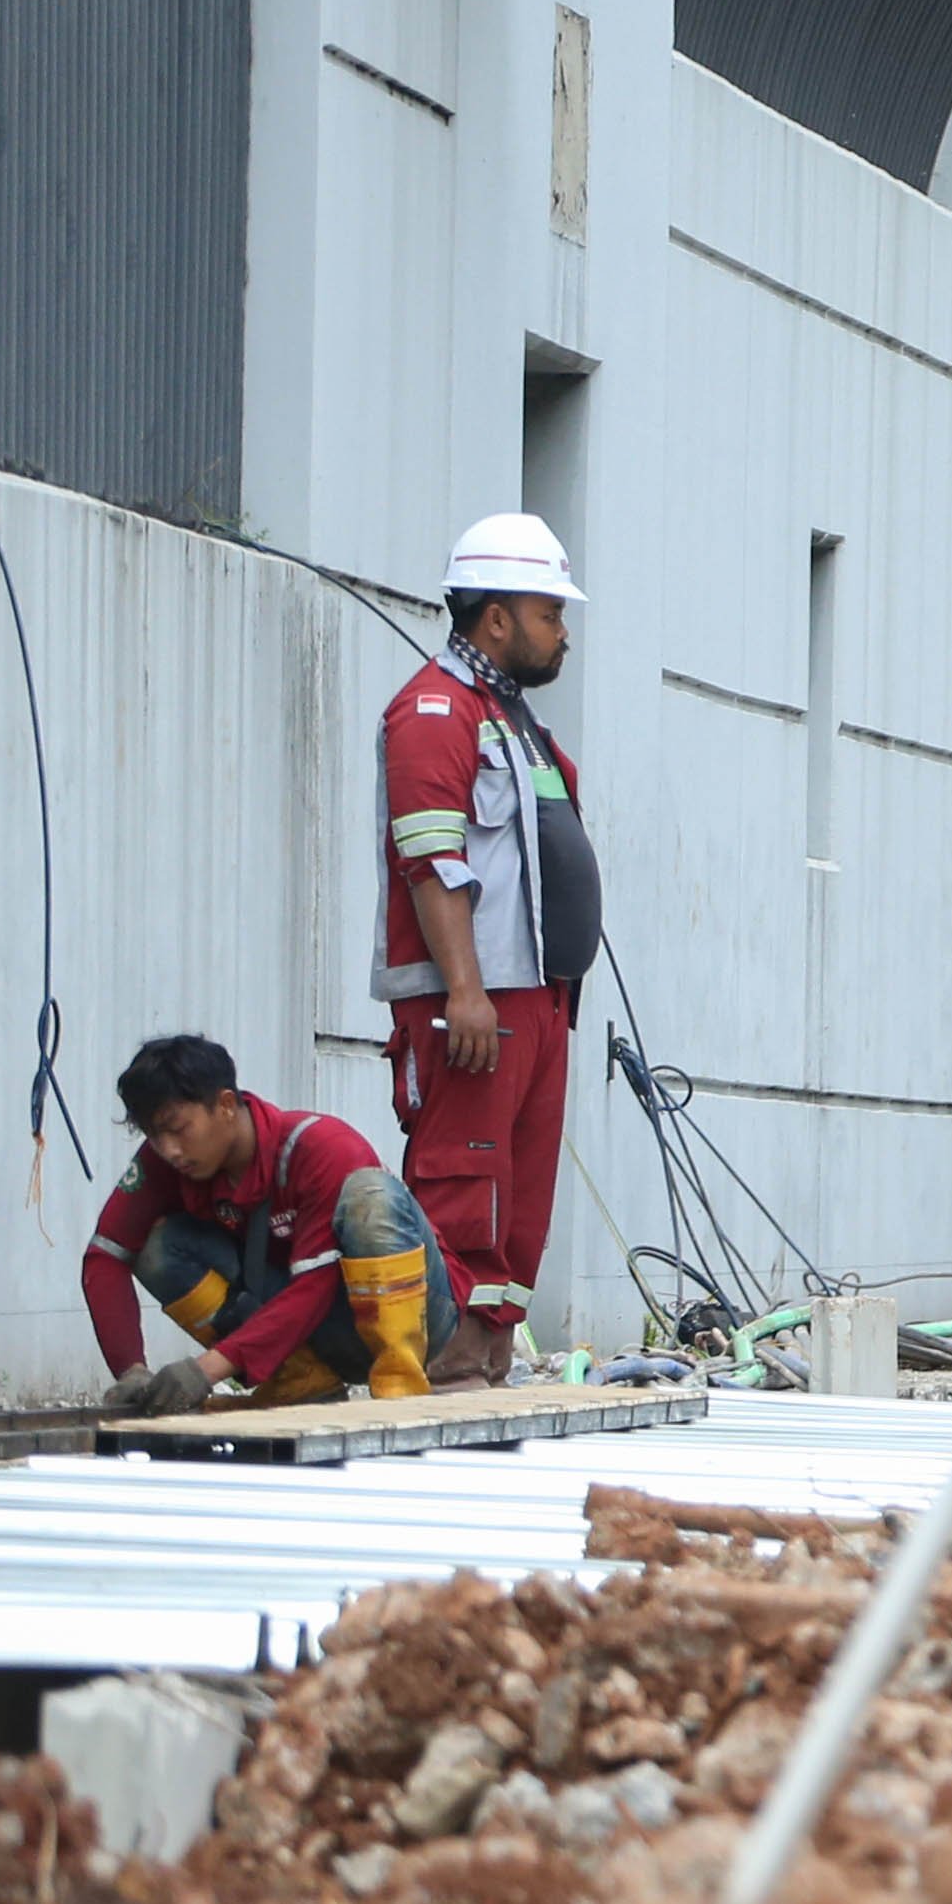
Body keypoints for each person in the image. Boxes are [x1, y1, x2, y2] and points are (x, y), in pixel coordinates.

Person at [380, 511, 604, 1386]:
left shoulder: (512, 721)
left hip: (540, 999)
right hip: (476, 1001)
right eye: (550, 614)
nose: (563, 635)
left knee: (520, 1188)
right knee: (462, 1176)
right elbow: (431, 858)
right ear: (497, 619)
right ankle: (448, 1349)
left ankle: (494, 1338)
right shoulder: (436, 711)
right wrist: (463, 990)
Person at [82, 1034, 460, 1410]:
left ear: (226, 1105)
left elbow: (315, 1286)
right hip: (311, 1329)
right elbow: (104, 1256)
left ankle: (401, 1389)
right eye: (153, 1135)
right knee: (155, 1247)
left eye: (178, 1129)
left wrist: (207, 1370)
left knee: (369, 1195)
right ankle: (302, 1382)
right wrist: (130, 1369)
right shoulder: (167, 1163)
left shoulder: (322, 1147)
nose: (169, 1150)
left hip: (422, 1314)